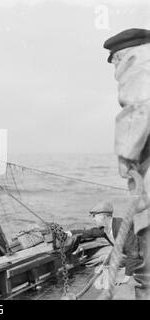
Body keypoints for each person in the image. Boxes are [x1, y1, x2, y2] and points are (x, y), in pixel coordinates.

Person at [103, 28, 150, 299]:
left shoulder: (139, 63)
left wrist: (127, 157)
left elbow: (139, 108)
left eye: (115, 61)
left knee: (148, 273)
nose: (115, 71)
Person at [66, 200, 142, 285]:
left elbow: (133, 251)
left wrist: (127, 277)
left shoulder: (121, 226)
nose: (93, 219)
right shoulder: (105, 229)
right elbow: (90, 232)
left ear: (103, 216)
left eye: (94, 216)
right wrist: (70, 233)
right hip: (135, 255)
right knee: (107, 262)